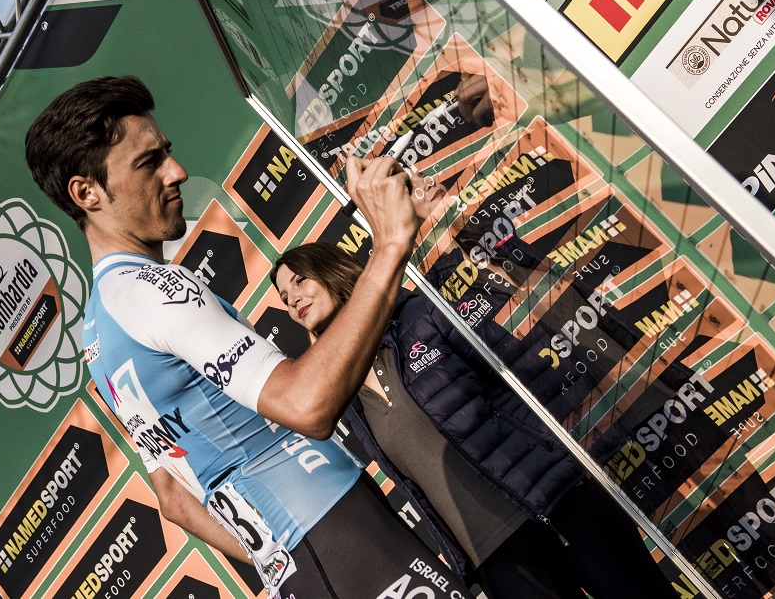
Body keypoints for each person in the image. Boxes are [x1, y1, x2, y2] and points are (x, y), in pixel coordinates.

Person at [24, 75, 470, 599]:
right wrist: (391, 243)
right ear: (87, 193)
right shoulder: (152, 291)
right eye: (149, 162)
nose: (177, 171)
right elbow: (306, 404)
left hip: (309, 558)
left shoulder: (98, 327)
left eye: (167, 152)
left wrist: (281, 557)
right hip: (336, 533)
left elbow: (174, 498)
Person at [270, 240, 677, 599]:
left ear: (332, 270)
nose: (293, 300)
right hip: (495, 560)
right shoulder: (341, 395)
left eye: (300, 281)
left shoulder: (418, 315)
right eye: (285, 298)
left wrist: (563, 466)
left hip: (557, 504)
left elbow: (523, 378)